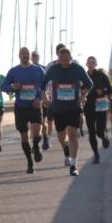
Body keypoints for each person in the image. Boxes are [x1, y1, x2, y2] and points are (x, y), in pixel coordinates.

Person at [42, 46, 93, 176]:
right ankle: (66, 150)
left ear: (71, 58)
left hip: (74, 107)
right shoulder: (53, 69)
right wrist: (45, 98)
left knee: (72, 134)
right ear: (58, 59)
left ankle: (74, 165)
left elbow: (89, 83)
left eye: (66, 59)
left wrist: (83, 94)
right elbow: (42, 84)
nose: (64, 61)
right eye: (61, 59)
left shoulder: (78, 69)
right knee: (61, 136)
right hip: (58, 108)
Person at [1, 47, 46, 174]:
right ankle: (30, 163)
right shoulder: (14, 71)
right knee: (24, 136)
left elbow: (46, 86)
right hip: (20, 107)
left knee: (37, 133)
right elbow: (3, 86)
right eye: (23, 54)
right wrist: (12, 86)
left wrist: (40, 99)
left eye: (27, 54)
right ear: (19, 55)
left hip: (35, 106)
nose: (25, 56)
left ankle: (36, 147)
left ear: (30, 56)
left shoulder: (38, 70)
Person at [83, 57, 112, 164]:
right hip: (89, 106)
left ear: (96, 64)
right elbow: (80, 89)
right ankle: (96, 155)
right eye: (89, 62)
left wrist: (103, 91)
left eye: (93, 62)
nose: (90, 64)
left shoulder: (102, 75)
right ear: (86, 64)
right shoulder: (83, 76)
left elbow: (110, 89)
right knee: (91, 132)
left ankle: (103, 137)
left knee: (99, 131)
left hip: (101, 106)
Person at [31, 49, 51, 150]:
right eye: (33, 56)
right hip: (30, 99)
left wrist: (45, 97)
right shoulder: (26, 69)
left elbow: (48, 84)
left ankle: (46, 138)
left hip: (42, 98)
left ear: (39, 57)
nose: (34, 57)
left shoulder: (43, 68)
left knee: (43, 122)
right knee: (33, 124)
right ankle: (35, 144)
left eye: (36, 56)